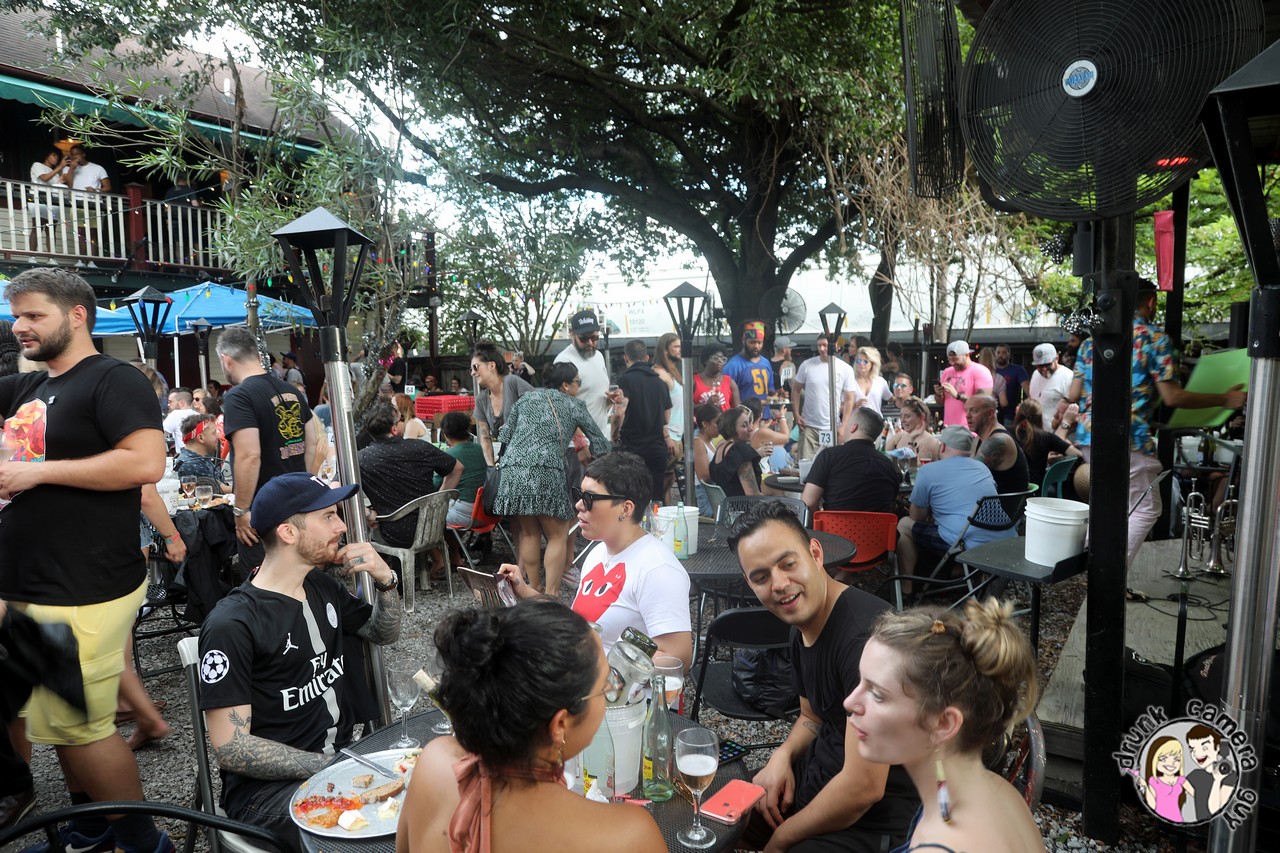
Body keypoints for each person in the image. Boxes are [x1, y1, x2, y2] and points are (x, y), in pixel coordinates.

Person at [0, 268, 173, 853]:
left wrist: (35, 473)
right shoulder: (28, 387)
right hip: (36, 585)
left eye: (33, 315)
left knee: (81, 728)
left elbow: (145, 463)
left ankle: (146, 844)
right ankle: (93, 830)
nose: (19, 326)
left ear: (77, 315)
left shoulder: (113, 379)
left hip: (82, 587)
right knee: (56, 721)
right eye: (16, 315)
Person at [199, 472, 402, 852]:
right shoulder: (233, 623)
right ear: (289, 533)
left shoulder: (319, 584)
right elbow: (231, 747)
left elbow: (382, 633)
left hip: (340, 765)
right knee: (393, 835)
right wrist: (333, 766)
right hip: (267, 793)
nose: (342, 526)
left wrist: (385, 580)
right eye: (328, 516)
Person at [395, 599, 666, 853]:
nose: (610, 693)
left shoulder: (432, 763)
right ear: (560, 725)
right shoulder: (629, 836)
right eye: (603, 687)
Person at [728, 501, 918, 853]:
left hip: (875, 820)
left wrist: (781, 839)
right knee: (717, 817)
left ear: (815, 553)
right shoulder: (800, 623)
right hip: (818, 779)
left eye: (788, 564)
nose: (780, 584)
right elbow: (812, 717)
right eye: (761, 577)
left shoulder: (864, 643)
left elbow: (864, 788)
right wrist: (782, 756)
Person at [1071, 278, 1246, 571]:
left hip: (1090, 435)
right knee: (1146, 508)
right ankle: (1109, 575)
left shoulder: (1091, 342)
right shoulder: (1155, 339)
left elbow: (1073, 392)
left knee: (1108, 501)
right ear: (1151, 302)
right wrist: (1225, 399)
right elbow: (1172, 396)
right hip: (1129, 437)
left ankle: (1091, 560)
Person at [844, 599, 1043, 853]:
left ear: (944, 723)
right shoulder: (1002, 792)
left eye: (877, 694)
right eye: (860, 682)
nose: (849, 702)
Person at [500, 451, 692, 670]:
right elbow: (582, 623)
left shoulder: (658, 569)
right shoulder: (599, 551)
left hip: (612, 689)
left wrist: (601, 669)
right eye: (579, 494)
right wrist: (525, 592)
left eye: (590, 498)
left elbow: (678, 659)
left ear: (625, 509)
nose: (579, 505)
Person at [495, 362, 609, 594]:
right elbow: (599, 441)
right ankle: (551, 595)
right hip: (546, 468)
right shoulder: (573, 404)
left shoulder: (525, 399)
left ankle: (533, 590)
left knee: (529, 532)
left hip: (513, 470)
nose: (579, 386)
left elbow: (504, 434)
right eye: (577, 382)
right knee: (557, 534)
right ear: (565, 385)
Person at [216, 326, 321, 575]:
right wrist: (302, 482)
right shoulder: (291, 391)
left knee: (263, 583)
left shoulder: (239, 396)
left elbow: (249, 455)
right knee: (298, 577)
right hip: (297, 503)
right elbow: (313, 442)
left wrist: (241, 510)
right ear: (256, 354)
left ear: (226, 360)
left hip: (263, 511)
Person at [896, 426, 1012, 578]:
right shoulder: (982, 468)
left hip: (967, 545)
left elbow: (916, 517)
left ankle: (906, 586)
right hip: (1005, 540)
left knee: (904, 524)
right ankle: (961, 573)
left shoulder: (928, 471)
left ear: (942, 446)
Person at [357, 400, 462, 550]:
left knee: (364, 530)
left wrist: (367, 514)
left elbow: (337, 490)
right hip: (432, 527)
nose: (404, 422)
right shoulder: (420, 447)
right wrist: (439, 501)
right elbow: (457, 468)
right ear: (394, 429)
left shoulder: (361, 458)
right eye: (401, 419)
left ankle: (387, 566)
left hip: (393, 533)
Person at [802, 407, 900, 515]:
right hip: (878, 526)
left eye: (847, 423)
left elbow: (808, 504)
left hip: (833, 525)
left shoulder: (829, 456)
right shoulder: (888, 465)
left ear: (854, 427)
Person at [611, 339, 672, 504]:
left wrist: (614, 433)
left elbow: (619, 412)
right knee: (656, 498)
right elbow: (666, 418)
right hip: (657, 449)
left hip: (633, 448)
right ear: (647, 358)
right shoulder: (661, 384)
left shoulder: (625, 381)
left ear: (625, 358)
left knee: (633, 498)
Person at [791, 334, 856, 460]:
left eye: (825, 345)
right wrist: (796, 415)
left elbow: (849, 400)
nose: (821, 349)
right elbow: (795, 390)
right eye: (819, 345)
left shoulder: (845, 369)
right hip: (809, 425)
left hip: (832, 426)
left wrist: (844, 425)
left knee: (832, 463)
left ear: (835, 346)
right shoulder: (807, 365)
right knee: (806, 464)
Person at [471, 340, 535, 466]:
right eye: (471, 369)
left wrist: (514, 424)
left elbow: (540, 409)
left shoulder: (512, 382)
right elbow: (484, 437)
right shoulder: (481, 399)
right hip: (509, 459)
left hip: (532, 456)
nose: (472, 373)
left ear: (491, 366)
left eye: (475, 367)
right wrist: (490, 466)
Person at [554, 310, 611, 438]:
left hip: (600, 438)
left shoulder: (599, 356)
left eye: (594, 338)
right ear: (571, 334)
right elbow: (560, 409)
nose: (590, 343)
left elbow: (594, 397)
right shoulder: (564, 361)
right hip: (578, 443)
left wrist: (611, 400)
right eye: (584, 338)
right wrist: (580, 442)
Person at [965, 393, 1029, 494]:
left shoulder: (997, 440)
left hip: (1005, 503)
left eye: (974, 411)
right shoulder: (979, 438)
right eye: (966, 410)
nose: (967, 416)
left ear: (990, 413)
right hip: (989, 500)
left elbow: (970, 476)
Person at [435, 410, 488, 527]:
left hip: (465, 513)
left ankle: (450, 540)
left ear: (444, 433)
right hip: (487, 511)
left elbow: (435, 484)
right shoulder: (481, 449)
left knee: (426, 516)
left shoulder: (449, 455)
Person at [1013, 399, 1081, 490]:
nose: (1055, 415)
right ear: (1039, 418)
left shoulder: (1008, 433)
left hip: (1012, 489)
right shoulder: (1046, 437)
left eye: (1060, 412)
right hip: (1037, 490)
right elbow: (1078, 454)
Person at [652, 332, 686, 498]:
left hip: (677, 434)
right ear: (665, 350)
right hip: (668, 435)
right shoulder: (659, 374)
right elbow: (657, 408)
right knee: (663, 481)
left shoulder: (672, 372)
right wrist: (666, 435)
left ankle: (666, 510)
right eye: (676, 347)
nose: (680, 350)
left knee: (670, 479)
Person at [1185, 724, 1237, 821]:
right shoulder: (1196, 775)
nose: (1197, 754)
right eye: (1192, 749)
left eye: (1205, 748)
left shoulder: (1230, 776)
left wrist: (1217, 780)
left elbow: (1215, 810)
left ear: (1217, 747)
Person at [724, 321, 776, 418]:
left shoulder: (766, 363)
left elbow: (769, 391)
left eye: (759, 343)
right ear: (743, 340)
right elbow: (726, 397)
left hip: (765, 418)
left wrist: (778, 394)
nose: (756, 346)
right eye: (752, 342)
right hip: (745, 420)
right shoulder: (732, 366)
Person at [935, 341, 993, 427]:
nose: (952, 363)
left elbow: (984, 403)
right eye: (950, 360)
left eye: (956, 359)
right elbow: (940, 402)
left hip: (971, 429)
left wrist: (957, 396)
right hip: (949, 427)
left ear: (966, 355)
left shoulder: (980, 371)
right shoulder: (947, 372)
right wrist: (938, 394)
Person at [709, 406, 763, 497]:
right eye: (744, 425)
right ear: (732, 429)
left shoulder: (721, 448)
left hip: (726, 504)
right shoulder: (740, 450)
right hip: (743, 505)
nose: (751, 428)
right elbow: (752, 495)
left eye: (749, 423)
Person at [172, 414, 231, 489]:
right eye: (214, 433)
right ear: (201, 438)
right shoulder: (190, 464)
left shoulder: (200, 459)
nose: (218, 436)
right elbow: (223, 489)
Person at [28, 148, 66, 252]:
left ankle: (51, 257)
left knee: (51, 229)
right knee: (37, 227)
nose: (56, 158)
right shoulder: (37, 165)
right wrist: (59, 167)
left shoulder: (56, 173)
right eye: (54, 155)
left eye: (57, 156)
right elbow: (44, 178)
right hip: (39, 198)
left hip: (53, 201)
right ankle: (32, 256)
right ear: (46, 155)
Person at [1028, 344, 1073, 429]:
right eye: (1040, 366)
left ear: (1057, 358)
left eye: (1047, 364)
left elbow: (1072, 408)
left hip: (1057, 432)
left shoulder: (1068, 376)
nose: (1044, 369)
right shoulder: (1035, 374)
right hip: (1037, 431)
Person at [884, 396, 941, 463]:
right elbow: (884, 459)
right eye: (901, 416)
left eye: (907, 416)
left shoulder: (930, 441)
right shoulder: (899, 437)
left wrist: (911, 441)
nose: (902, 420)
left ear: (921, 417)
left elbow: (919, 466)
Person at [691, 402, 721, 516]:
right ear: (705, 424)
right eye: (717, 423)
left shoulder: (709, 442)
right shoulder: (698, 442)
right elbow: (703, 476)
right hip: (706, 496)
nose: (720, 426)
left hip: (712, 492)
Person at [692, 342, 738, 411]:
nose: (720, 361)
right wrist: (706, 404)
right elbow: (687, 408)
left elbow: (737, 409)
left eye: (723, 359)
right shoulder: (694, 381)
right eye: (715, 358)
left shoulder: (730, 382)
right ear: (706, 360)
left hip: (724, 418)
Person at [994, 344, 1029, 427]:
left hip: (1010, 415)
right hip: (992, 413)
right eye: (998, 352)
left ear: (1009, 355)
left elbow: (1028, 391)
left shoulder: (1018, 370)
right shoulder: (991, 370)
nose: (1000, 355)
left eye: (1004, 353)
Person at [851, 345, 893, 415]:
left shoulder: (880, 382)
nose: (861, 364)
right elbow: (839, 407)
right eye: (859, 361)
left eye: (865, 361)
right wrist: (854, 405)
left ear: (872, 364)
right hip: (855, 420)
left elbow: (891, 399)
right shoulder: (850, 381)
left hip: (876, 420)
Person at [163, 386, 195, 452]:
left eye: (170, 402)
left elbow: (160, 436)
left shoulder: (175, 414)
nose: (168, 405)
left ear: (181, 403)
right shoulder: (199, 414)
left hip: (185, 456)